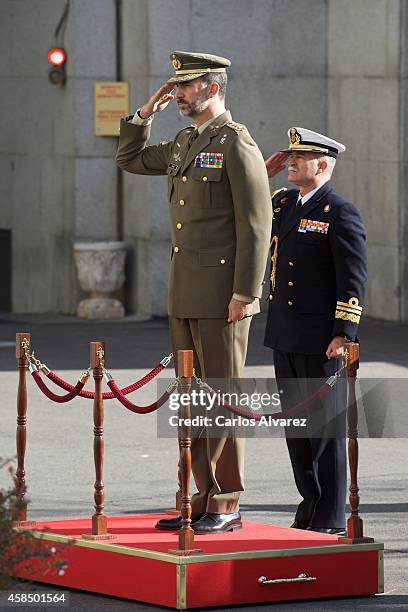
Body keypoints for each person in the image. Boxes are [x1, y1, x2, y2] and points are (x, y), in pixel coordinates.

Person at [116, 51, 272, 534]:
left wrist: (245, 293)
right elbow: (131, 159)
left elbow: (256, 226)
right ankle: (198, 498)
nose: (178, 93)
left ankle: (226, 503)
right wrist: (143, 116)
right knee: (193, 399)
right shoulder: (186, 141)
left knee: (224, 396)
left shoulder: (235, 143)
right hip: (184, 293)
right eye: (177, 86)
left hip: (224, 296)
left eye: (185, 85)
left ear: (213, 87)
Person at [264, 127, 367, 535]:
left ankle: (329, 516)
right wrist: (261, 170)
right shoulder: (283, 202)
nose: (290, 162)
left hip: (322, 340)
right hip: (285, 334)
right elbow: (248, 210)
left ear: (322, 165)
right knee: (296, 429)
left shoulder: (339, 212)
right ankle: (309, 505)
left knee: (324, 432)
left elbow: (353, 277)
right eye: (289, 156)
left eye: (299, 157)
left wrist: (345, 332)